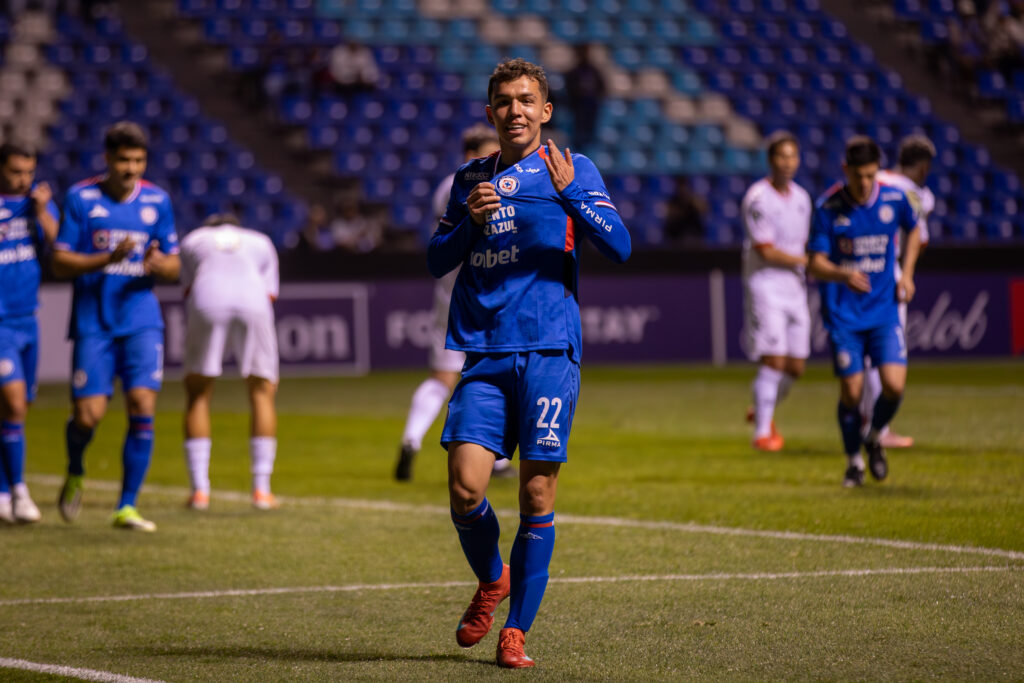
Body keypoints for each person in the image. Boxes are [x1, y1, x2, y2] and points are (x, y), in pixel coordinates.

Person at [428, 58, 631, 668]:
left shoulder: (574, 168)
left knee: (536, 495)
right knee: (466, 487)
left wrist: (572, 196)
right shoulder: (470, 178)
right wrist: (470, 221)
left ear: (544, 110)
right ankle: (494, 579)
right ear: (490, 113)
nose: (515, 111)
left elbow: (619, 246)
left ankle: (515, 631)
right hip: (485, 352)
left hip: (548, 351)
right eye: (504, 102)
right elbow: (437, 259)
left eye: (526, 100)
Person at [51, 121, 180, 532]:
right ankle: (75, 469)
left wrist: (162, 266)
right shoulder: (81, 198)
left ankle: (126, 506)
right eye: (124, 160)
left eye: (139, 160)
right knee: (88, 416)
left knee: (143, 408)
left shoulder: (157, 201)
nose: (132, 169)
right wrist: (106, 259)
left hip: (142, 321)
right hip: (94, 322)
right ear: (107, 159)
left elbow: (175, 264)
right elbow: (59, 261)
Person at [394, 123, 512, 482]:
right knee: (497, 372)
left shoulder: (444, 187)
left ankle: (412, 438)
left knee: (443, 376)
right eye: (491, 152)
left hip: (449, 293)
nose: (496, 160)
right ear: (470, 155)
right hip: (483, 291)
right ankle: (498, 458)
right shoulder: (478, 184)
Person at [807, 136, 921, 488]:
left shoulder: (895, 199)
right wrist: (843, 274)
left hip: (884, 312)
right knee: (852, 393)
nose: (865, 183)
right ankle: (854, 461)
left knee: (894, 387)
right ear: (846, 171)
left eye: (871, 175)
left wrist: (908, 273)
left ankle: (872, 438)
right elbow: (815, 264)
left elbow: (914, 229)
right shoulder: (828, 207)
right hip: (844, 316)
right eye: (859, 176)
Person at [178, 213, 280, 511]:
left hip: (208, 297)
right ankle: (262, 491)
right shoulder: (260, 241)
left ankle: (200, 492)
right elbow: (270, 293)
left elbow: (187, 289)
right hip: (253, 300)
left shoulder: (193, 240)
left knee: (198, 392)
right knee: (262, 391)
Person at [860, 135, 936, 449]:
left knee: (865, 353)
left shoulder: (874, 178)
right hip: (887, 276)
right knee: (886, 351)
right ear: (922, 167)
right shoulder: (915, 193)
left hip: (857, 272)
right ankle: (880, 426)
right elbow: (919, 237)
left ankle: (868, 419)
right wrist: (907, 273)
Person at [740, 132, 812, 452]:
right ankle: (761, 434)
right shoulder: (758, 198)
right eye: (782, 156)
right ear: (771, 161)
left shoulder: (802, 199)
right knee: (774, 360)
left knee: (796, 366)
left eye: (792, 156)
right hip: (766, 284)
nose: (788, 162)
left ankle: (763, 407)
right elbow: (766, 250)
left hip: (795, 287)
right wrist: (807, 261)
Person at [0, 141, 59, 523]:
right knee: (15, 404)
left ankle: (4, 491)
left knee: (16, 410)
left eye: (28, 171)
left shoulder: (36, 205)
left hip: (29, 320)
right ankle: (19, 490)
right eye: (15, 171)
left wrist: (41, 213)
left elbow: (58, 244)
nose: (23, 179)